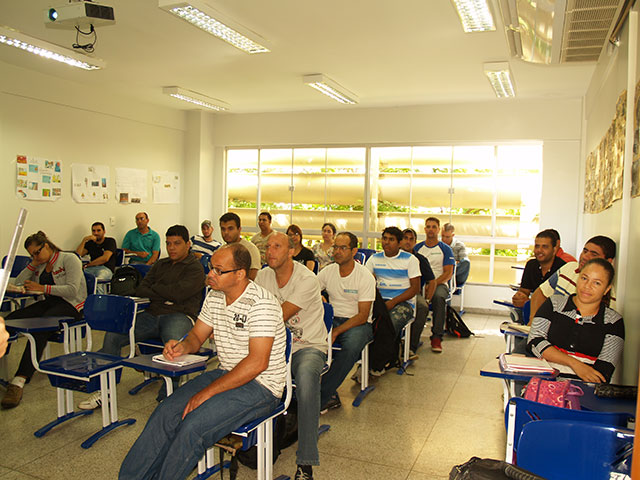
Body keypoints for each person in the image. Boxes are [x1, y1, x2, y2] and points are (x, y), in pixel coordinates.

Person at [119, 244, 286, 480]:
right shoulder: (215, 296)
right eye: (210, 267)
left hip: (261, 386)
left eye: (219, 270)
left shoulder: (261, 303)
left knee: (194, 426)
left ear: (240, 274)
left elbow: (257, 363)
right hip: (226, 373)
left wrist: (206, 393)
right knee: (165, 412)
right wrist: (181, 346)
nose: (210, 274)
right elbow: (197, 336)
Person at [79, 225, 205, 410]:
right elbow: (141, 289)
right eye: (168, 243)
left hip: (180, 315)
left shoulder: (195, 268)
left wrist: (157, 290)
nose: (171, 248)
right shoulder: (161, 264)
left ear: (188, 244)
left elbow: (179, 294)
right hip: (152, 314)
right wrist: (166, 294)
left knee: (174, 346)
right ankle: (104, 391)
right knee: (113, 335)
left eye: (177, 243)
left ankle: (167, 397)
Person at [255, 232, 326, 480]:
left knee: (306, 379)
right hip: (274, 346)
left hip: (306, 346)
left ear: (292, 252)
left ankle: (306, 462)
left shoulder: (307, 279)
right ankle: (251, 441)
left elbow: (277, 316)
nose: (270, 251)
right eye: (268, 246)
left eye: (277, 246)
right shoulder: (263, 276)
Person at [1, 231, 87, 409]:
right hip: (50, 303)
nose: (36, 257)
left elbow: (72, 290)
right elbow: (18, 282)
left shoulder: (69, 259)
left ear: (46, 245)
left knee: (41, 326)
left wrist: (42, 287)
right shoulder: (40, 264)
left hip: (72, 305)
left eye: (37, 252)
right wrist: (33, 264)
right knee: (9, 320)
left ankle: (19, 380)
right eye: (32, 255)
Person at [527, 258, 623, 383]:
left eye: (597, 283)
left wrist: (554, 355)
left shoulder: (614, 322)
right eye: (584, 278)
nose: (587, 286)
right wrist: (575, 364)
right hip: (544, 384)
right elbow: (534, 342)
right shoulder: (554, 304)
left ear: (606, 289)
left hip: (585, 390)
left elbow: (604, 371)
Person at [318, 231, 375, 412]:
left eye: (343, 248)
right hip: (333, 318)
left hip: (358, 323)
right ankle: (308, 389)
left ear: (354, 251)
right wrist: (319, 296)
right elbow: (309, 290)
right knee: (308, 340)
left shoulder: (364, 276)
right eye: (336, 247)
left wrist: (336, 332)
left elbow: (363, 315)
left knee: (350, 348)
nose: (337, 251)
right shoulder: (328, 271)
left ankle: (320, 397)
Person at [365, 227, 420, 370]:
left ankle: (375, 366)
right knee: (365, 326)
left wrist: (393, 302)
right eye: (384, 238)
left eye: (391, 239)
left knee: (386, 327)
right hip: (379, 302)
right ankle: (374, 361)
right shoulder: (374, 259)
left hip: (403, 304)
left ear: (399, 243)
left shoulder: (410, 260)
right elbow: (365, 281)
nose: (386, 242)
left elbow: (415, 288)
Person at [529, 235, 617, 320]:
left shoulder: (607, 293)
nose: (585, 257)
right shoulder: (569, 268)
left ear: (608, 261)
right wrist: (533, 321)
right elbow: (539, 294)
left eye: (594, 254)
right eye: (585, 251)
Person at [414, 217, 455, 353]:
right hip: (419, 284)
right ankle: (412, 338)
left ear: (438, 230)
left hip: (439, 283)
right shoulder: (417, 248)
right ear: (425, 229)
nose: (431, 229)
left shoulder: (445, 249)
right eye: (428, 227)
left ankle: (437, 337)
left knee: (438, 297)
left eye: (434, 227)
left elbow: (448, 273)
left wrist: (433, 284)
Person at [401, 228, 435, 357]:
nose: (408, 242)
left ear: (415, 242)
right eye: (405, 238)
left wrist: (428, 299)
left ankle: (410, 346)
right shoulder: (392, 256)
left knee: (422, 307)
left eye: (411, 239)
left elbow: (432, 281)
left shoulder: (420, 259)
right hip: (391, 291)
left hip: (414, 294)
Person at [512, 229, 565, 308]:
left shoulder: (563, 268)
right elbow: (524, 291)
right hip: (533, 309)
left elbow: (561, 302)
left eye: (545, 247)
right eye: (537, 246)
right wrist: (519, 297)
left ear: (554, 250)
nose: (539, 250)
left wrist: (531, 302)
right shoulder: (531, 265)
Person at [75, 221, 117, 294]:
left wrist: (88, 265)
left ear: (104, 231)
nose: (96, 233)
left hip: (106, 269)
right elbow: (77, 255)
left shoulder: (110, 241)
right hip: (91, 269)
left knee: (98, 281)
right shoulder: (90, 243)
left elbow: (105, 258)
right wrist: (84, 240)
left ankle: (99, 300)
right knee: (78, 276)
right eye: (93, 231)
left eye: (98, 230)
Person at [219, 212, 261, 280]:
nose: (226, 232)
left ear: (239, 229)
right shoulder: (221, 250)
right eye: (223, 229)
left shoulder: (250, 249)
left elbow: (253, 276)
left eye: (230, 229)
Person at [440, 223, 470, 287]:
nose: (444, 239)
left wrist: (452, 264)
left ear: (453, 235)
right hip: (441, 270)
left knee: (466, 262)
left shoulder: (459, 245)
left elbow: (464, 259)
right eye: (442, 236)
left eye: (447, 237)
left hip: (455, 273)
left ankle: (448, 277)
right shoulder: (438, 244)